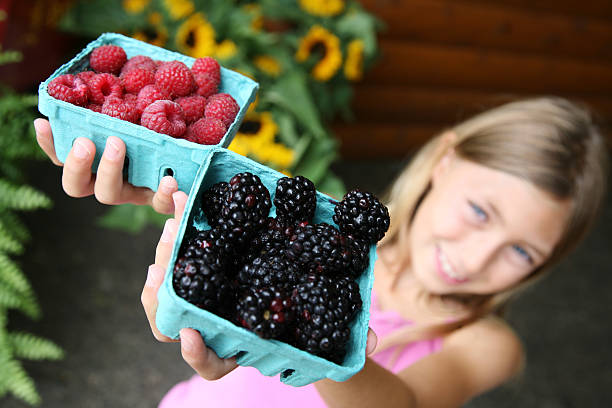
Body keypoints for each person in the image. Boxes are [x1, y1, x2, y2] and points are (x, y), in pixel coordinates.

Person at [34, 96, 609, 407]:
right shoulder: (337, 235)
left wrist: (304, 336)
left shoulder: (486, 344)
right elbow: (236, 242)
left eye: (522, 253)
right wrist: (173, 201)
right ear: (445, 160)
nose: (478, 258)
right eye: (481, 212)